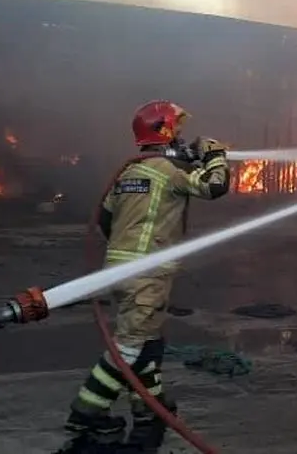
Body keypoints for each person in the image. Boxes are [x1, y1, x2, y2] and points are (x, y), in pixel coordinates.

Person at [57, 100, 231, 454]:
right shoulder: (167, 172)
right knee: (128, 348)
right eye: (176, 129)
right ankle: (86, 413)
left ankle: (150, 408)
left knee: (147, 346)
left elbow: (106, 220)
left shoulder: (129, 174)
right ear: (164, 131)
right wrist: (215, 154)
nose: (181, 136)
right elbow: (215, 186)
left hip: (122, 270)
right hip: (148, 275)